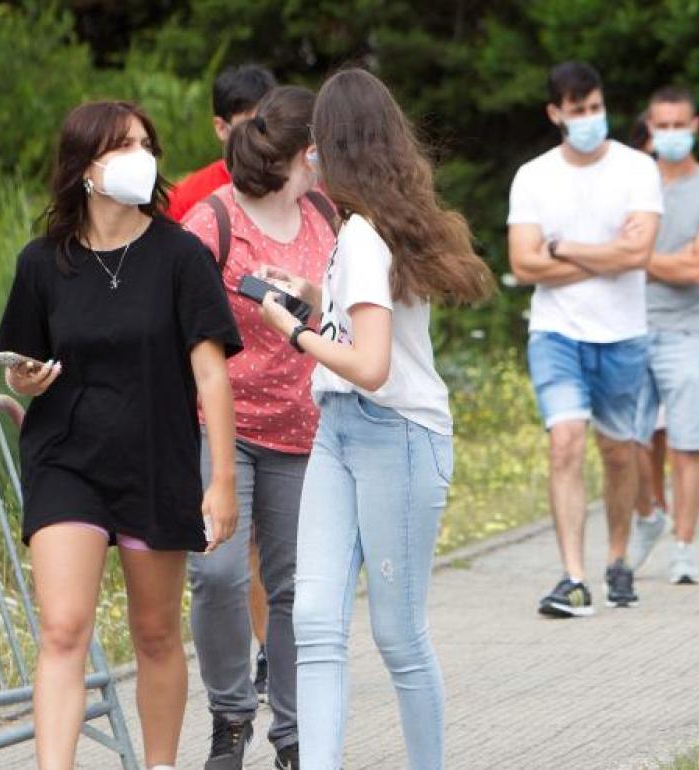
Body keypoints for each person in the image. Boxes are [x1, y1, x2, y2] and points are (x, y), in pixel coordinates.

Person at [0, 101, 242, 770]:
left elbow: (212, 376)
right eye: (123, 146)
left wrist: (221, 479)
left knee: (155, 633)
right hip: (65, 460)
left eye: (145, 145)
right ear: (85, 167)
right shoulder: (41, 262)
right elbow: (19, 364)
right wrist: (23, 379)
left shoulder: (181, 255)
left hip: (156, 459)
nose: (141, 157)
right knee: (62, 629)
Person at [255, 68, 494, 769]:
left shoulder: (363, 234)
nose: (309, 157)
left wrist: (293, 331)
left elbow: (372, 364)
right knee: (314, 621)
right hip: (339, 430)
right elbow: (368, 320)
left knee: (398, 635)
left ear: (333, 145)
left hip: (397, 436)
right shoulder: (369, 226)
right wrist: (312, 295)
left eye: (315, 142)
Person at [180, 86, 337, 770]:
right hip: (222, 426)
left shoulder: (325, 213)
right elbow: (178, 324)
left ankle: (296, 736)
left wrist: (313, 298)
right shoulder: (212, 222)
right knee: (216, 573)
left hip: (303, 430)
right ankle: (231, 715)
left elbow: (352, 309)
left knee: (294, 587)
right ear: (308, 151)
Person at [507, 61, 663, 617]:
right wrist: (607, 256)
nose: (591, 118)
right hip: (557, 331)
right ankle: (573, 576)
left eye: (596, 107)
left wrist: (564, 248)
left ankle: (618, 557)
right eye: (579, 111)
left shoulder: (638, 169)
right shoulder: (533, 177)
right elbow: (523, 264)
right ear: (556, 113)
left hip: (622, 333)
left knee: (619, 452)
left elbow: (638, 255)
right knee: (566, 441)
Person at [166, 63, 278, 698]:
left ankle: (268, 653)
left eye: (269, 124)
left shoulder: (299, 189)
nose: (259, 138)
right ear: (219, 128)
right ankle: (232, 675)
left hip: (280, 395)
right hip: (210, 393)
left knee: (265, 542)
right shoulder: (192, 198)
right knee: (222, 550)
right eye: (246, 126)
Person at [625, 86, 699, 585]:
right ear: (649, 128)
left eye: (679, 124)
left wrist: (634, 258)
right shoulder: (629, 183)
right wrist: (670, 260)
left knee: (687, 445)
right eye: (661, 125)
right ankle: (649, 516)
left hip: (689, 331)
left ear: (695, 126)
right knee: (627, 442)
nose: (670, 133)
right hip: (629, 325)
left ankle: (685, 546)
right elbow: (604, 249)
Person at [167, 65, 277, 223]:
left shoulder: (295, 187)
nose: (262, 133)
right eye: (251, 125)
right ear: (221, 128)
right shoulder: (186, 198)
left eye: (271, 122)